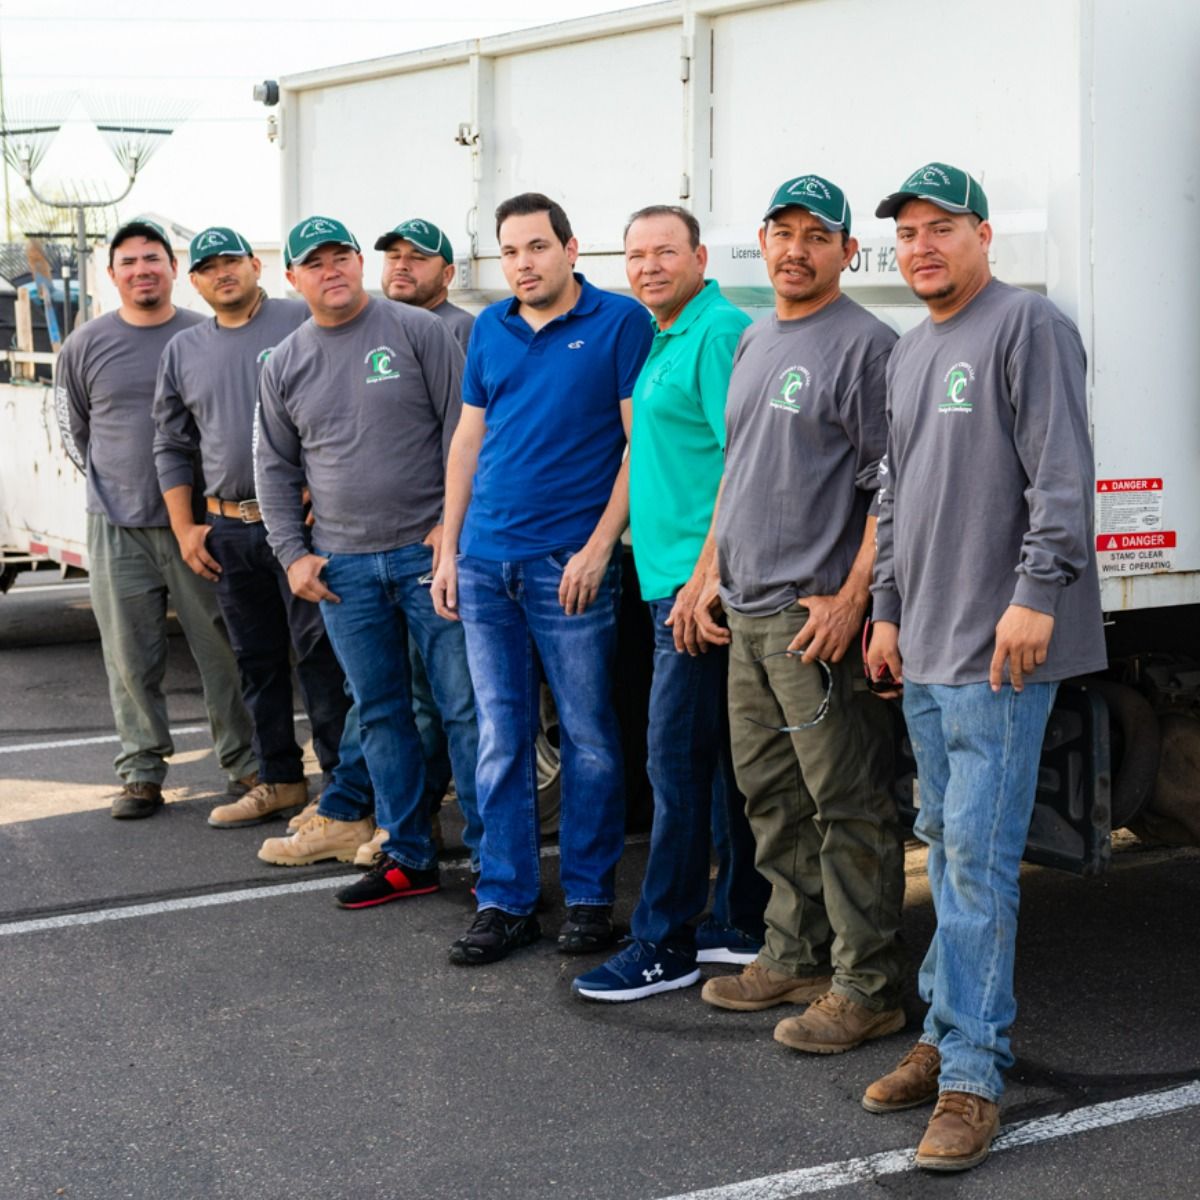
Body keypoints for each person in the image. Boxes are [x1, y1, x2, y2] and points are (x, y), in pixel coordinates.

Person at [864, 163, 1106, 1172]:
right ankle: (944, 1029)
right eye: (908, 232)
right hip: (924, 644)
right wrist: (883, 608)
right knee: (947, 845)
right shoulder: (912, 349)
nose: (922, 245)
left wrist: (1035, 597)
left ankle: (969, 1080)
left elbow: (1062, 476)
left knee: (974, 865)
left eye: (941, 228)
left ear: (985, 236)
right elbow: (892, 490)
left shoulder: (1028, 328)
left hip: (1001, 647)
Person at [695, 175, 906, 1054]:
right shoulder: (755, 340)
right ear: (763, 242)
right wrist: (707, 571)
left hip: (810, 622)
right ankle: (796, 953)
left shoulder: (867, 347)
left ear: (848, 251)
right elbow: (739, 468)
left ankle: (869, 986)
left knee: (846, 803)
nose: (796, 249)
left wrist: (855, 597)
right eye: (782, 233)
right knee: (771, 799)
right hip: (745, 612)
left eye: (817, 236)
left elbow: (892, 486)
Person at [432, 192, 653, 965]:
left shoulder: (620, 323)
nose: (523, 263)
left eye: (536, 247)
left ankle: (591, 898)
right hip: (487, 564)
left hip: (570, 569)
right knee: (501, 739)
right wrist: (449, 547)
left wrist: (599, 549)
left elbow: (638, 448)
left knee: (590, 738)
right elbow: (468, 441)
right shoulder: (489, 327)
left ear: (570, 249)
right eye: (511, 251)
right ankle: (506, 899)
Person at [254, 215, 481, 908]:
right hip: (345, 569)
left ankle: (493, 860)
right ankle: (408, 855)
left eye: (341, 256)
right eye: (314, 263)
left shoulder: (421, 334)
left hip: (426, 558)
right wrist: (293, 555)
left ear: (358, 263)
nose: (332, 271)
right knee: (380, 712)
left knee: (463, 707)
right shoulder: (285, 361)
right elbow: (272, 464)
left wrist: (451, 527)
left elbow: (464, 434)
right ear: (292, 278)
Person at [572, 204, 768, 1002]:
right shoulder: (667, 333)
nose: (649, 266)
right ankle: (740, 920)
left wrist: (704, 577)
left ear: (698, 256)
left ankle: (664, 941)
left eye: (664, 252)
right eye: (635, 255)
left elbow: (742, 459)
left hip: (696, 592)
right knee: (720, 767)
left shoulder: (716, 332)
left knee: (674, 766)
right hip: (670, 585)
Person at [152, 225, 374, 852]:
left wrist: (318, 485)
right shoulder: (185, 350)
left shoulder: (299, 320)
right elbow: (171, 442)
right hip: (228, 527)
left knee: (323, 662)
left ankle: (341, 793)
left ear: (259, 265)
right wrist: (184, 523)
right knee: (256, 661)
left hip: (301, 527)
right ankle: (278, 778)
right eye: (209, 267)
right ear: (193, 280)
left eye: (233, 262)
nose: (223, 273)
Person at [55, 218, 256, 819]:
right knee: (129, 656)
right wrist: (114, 484)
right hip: (116, 527)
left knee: (221, 648)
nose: (142, 269)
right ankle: (141, 772)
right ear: (112, 274)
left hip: (198, 524)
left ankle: (244, 766)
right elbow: (76, 430)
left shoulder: (204, 336)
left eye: (154, 259)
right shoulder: (85, 344)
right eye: (129, 261)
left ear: (175, 270)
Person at [377, 218, 475, 350]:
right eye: (394, 256)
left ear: (447, 275)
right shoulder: (370, 325)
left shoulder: (461, 330)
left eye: (417, 258)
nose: (401, 266)